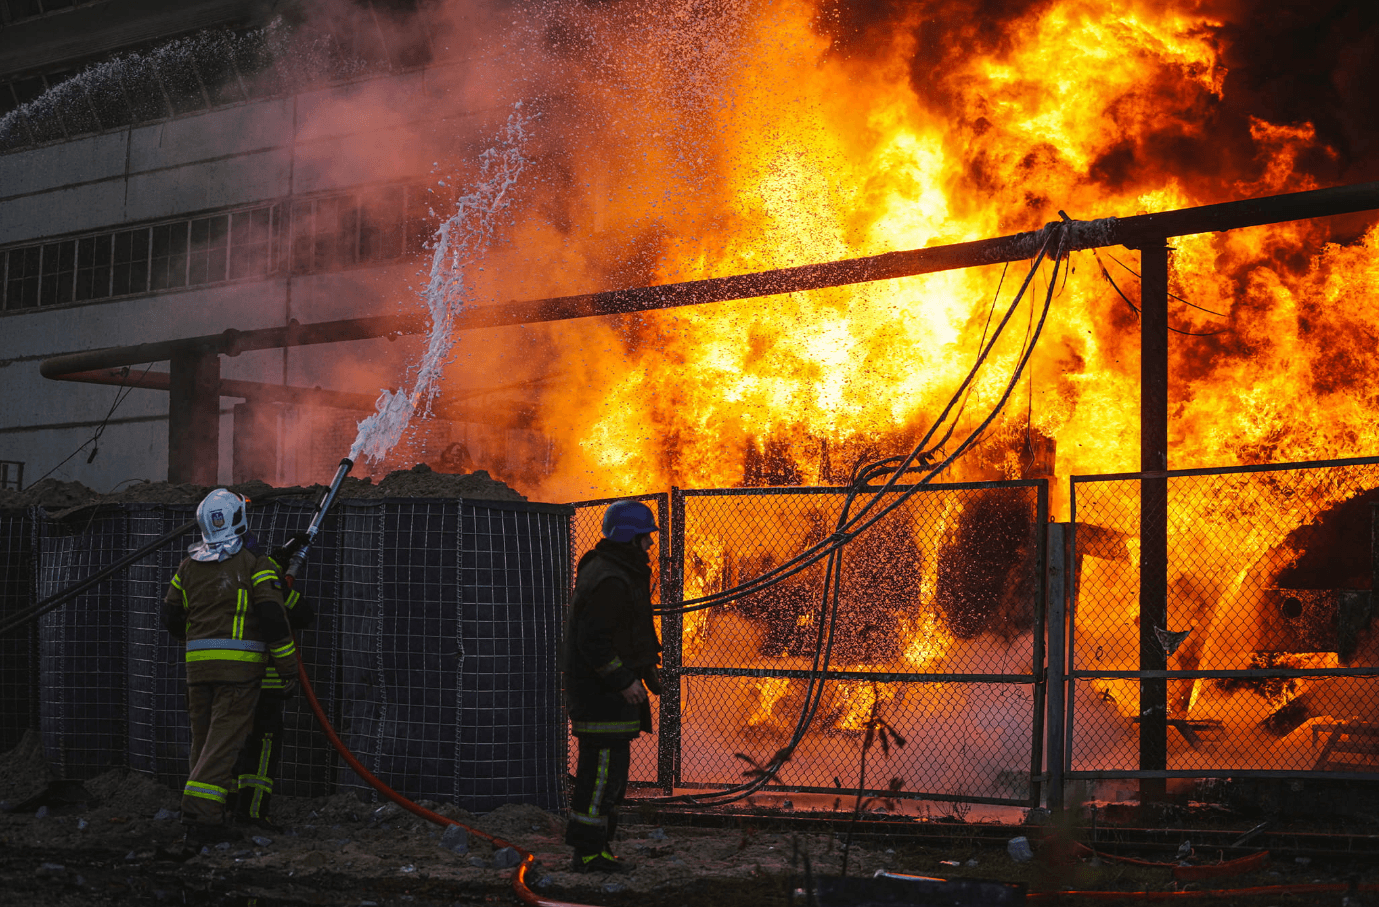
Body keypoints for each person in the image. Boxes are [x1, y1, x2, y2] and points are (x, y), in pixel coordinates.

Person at [161, 489, 300, 850]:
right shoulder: (254, 564)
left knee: (204, 743)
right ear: (239, 518)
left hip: (197, 672)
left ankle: (210, 811)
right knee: (223, 745)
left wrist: (201, 639)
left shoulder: (187, 566)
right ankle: (201, 817)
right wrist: (288, 668)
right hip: (238, 676)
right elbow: (273, 619)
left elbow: (171, 617)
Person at [562, 499, 663, 873]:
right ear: (629, 537)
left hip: (605, 698)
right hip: (602, 698)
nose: (650, 543)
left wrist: (646, 670)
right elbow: (594, 641)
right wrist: (623, 680)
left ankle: (598, 849)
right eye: (645, 536)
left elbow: (627, 631)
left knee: (609, 780)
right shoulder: (611, 580)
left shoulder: (615, 571)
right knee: (600, 778)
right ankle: (589, 854)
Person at [231, 530, 314, 830]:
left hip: (225, 681)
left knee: (228, 744)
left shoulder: (215, 577)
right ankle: (253, 813)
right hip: (263, 683)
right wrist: (277, 579)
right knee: (263, 745)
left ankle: (225, 809)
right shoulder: (265, 583)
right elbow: (300, 614)